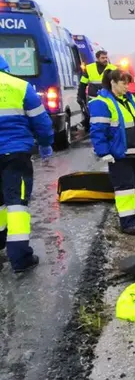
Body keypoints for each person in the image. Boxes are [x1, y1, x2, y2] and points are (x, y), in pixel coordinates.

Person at [0, 55, 54, 273]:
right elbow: (41, 121)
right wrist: (45, 144)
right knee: (17, 205)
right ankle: (20, 258)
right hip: (15, 154)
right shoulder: (20, 86)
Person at [88, 68, 135, 235]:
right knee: (125, 189)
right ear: (112, 83)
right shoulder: (102, 103)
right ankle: (127, 223)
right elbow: (98, 131)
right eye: (123, 83)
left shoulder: (128, 100)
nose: (127, 87)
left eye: (128, 83)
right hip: (119, 155)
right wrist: (104, 152)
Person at [78, 51, 117, 127]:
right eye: (103, 58)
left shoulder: (113, 68)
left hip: (108, 99)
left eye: (106, 57)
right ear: (97, 58)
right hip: (93, 99)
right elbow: (82, 84)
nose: (105, 59)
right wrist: (80, 97)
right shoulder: (89, 68)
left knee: (108, 118)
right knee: (94, 118)